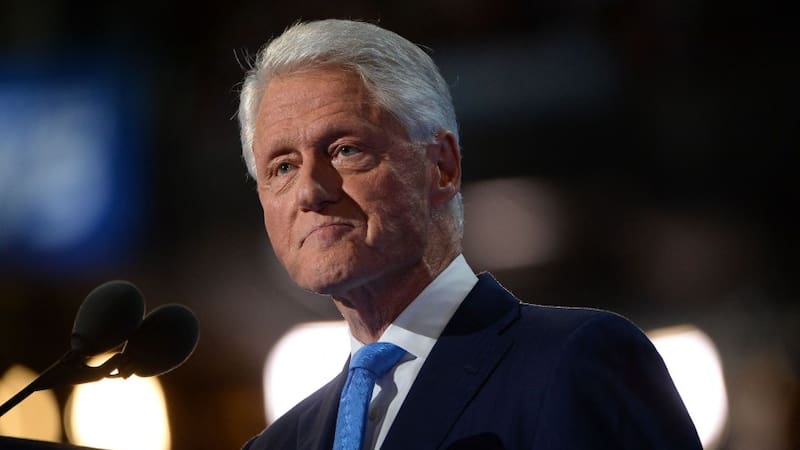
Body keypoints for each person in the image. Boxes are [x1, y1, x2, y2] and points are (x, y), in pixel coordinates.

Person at [237, 19, 702, 450]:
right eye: (283, 167)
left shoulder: (576, 363)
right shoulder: (278, 444)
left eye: (345, 150)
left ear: (442, 166)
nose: (310, 191)